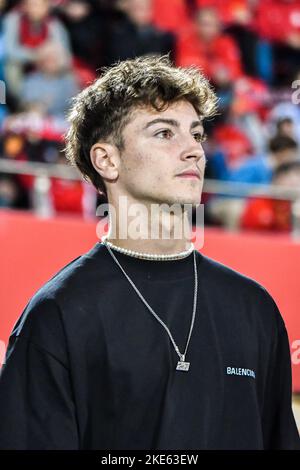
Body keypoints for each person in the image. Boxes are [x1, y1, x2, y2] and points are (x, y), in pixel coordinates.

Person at [0, 55, 299, 450]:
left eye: (196, 134)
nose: (193, 150)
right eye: (164, 133)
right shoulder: (57, 315)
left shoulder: (255, 308)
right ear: (107, 159)